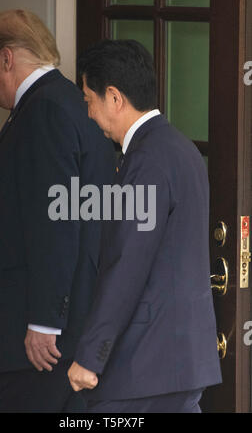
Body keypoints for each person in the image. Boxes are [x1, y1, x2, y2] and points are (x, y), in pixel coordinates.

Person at [0, 10, 116, 413]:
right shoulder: (66, 102)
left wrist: (44, 322)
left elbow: (56, 223)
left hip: (35, 347)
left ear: (7, 58)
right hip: (59, 337)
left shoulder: (45, 110)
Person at [68, 39, 222, 413]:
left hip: (144, 367)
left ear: (114, 98)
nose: (88, 114)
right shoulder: (180, 148)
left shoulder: (147, 160)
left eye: (89, 100)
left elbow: (127, 265)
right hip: (179, 363)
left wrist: (91, 355)